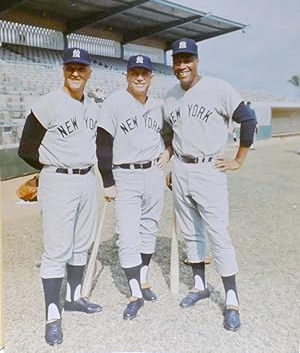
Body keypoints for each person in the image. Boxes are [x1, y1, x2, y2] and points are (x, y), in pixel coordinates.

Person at [164, 38, 257, 332]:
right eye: (178, 60)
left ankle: (231, 298)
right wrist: (170, 164)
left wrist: (239, 159)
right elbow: (170, 133)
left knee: (218, 233)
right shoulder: (169, 96)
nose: (182, 65)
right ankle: (200, 286)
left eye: (187, 59)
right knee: (191, 231)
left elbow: (248, 119)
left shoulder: (218, 88)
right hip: (181, 168)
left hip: (209, 168)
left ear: (197, 61)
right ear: (173, 64)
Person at [18, 47, 102, 346]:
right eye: (70, 67)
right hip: (58, 179)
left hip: (87, 179)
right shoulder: (47, 104)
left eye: (81, 67)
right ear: (63, 70)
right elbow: (26, 148)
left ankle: (74, 297)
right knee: (56, 250)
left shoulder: (93, 106)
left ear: (89, 72)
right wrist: (49, 170)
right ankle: (52, 316)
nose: (75, 73)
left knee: (81, 244)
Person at [97, 55, 172, 320]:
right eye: (134, 73)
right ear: (126, 76)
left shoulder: (159, 106)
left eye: (144, 73)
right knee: (127, 234)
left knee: (149, 227)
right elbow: (103, 142)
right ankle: (134, 292)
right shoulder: (114, 102)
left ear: (151, 77)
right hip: (125, 174)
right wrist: (107, 182)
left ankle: (142, 278)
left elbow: (170, 134)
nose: (139, 77)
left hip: (153, 171)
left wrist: (169, 151)